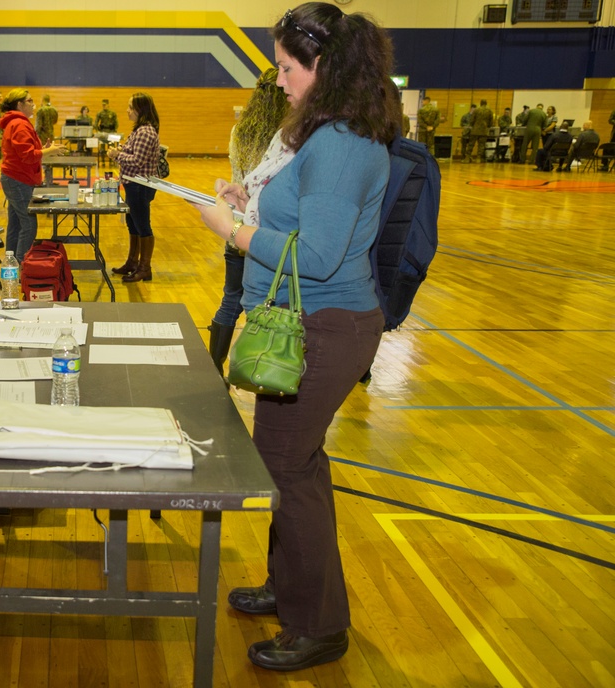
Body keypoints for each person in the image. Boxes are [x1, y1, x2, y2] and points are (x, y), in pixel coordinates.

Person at [194, 2, 395, 672]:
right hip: (308, 323)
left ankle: (318, 624)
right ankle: (293, 587)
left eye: (286, 67)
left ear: (321, 66)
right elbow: (304, 221)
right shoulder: (331, 133)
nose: (278, 79)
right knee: (296, 464)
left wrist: (234, 231)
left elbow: (317, 257)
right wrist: (250, 205)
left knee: (286, 467)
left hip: (323, 326)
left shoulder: (339, 144)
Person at [208, 67, 291, 378]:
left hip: (238, 225)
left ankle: (215, 366)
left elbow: (237, 177)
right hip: (269, 231)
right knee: (274, 304)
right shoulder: (286, 135)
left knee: (231, 298)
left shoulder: (240, 131)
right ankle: (270, 366)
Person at [0, 89, 67, 260]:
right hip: (18, 180)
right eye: (29, 101)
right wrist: (49, 150)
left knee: (16, 225)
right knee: (29, 224)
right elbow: (28, 156)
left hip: (15, 177)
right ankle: (22, 265)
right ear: (19, 104)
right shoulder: (19, 124)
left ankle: (12, 265)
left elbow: (26, 152)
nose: (33, 104)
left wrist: (44, 149)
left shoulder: (17, 122)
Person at [108, 92, 161, 283]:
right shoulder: (139, 130)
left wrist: (116, 155)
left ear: (140, 110)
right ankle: (133, 262)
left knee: (142, 226)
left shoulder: (145, 132)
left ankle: (144, 268)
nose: (127, 111)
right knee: (133, 224)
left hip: (140, 186)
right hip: (133, 185)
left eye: (130, 107)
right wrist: (122, 150)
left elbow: (137, 161)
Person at [466, 99, 494, 163]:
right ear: (486, 103)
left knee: (471, 144)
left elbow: (472, 120)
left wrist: (473, 125)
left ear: (480, 103)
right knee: (481, 145)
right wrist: (487, 126)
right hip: (484, 130)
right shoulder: (489, 111)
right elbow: (491, 122)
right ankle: (478, 158)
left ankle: (467, 157)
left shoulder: (476, 110)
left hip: (475, 130)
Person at [95, 98, 119, 166]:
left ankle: (112, 161)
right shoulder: (100, 113)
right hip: (103, 132)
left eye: (105, 105)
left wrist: (115, 130)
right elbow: (96, 122)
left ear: (108, 105)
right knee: (102, 149)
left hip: (111, 132)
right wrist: (98, 130)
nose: (104, 106)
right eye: (102, 105)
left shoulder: (112, 113)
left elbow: (116, 122)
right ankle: (102, 161)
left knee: (111, 147)